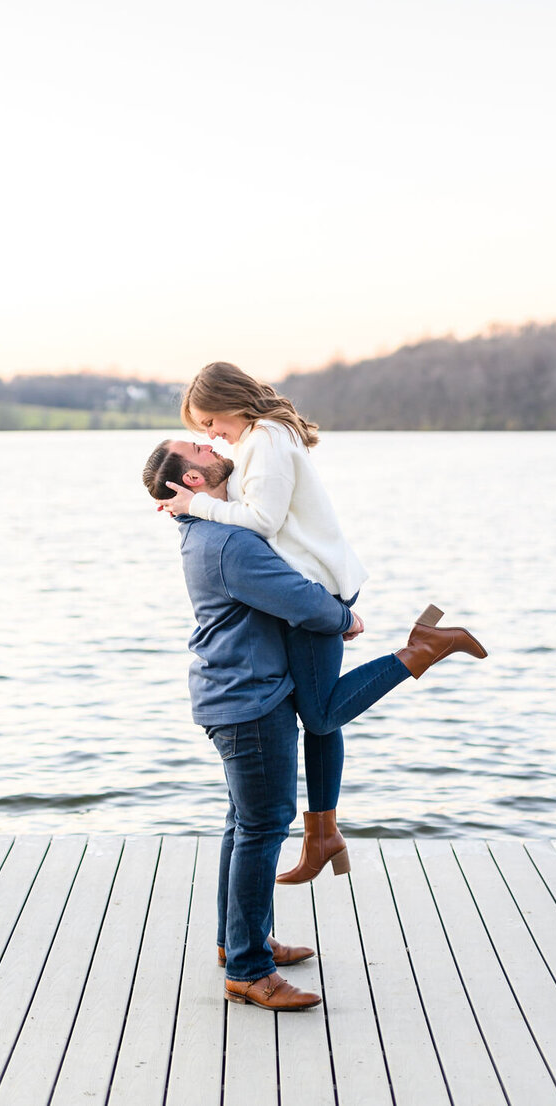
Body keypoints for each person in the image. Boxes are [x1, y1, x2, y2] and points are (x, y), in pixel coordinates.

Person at [142, 436, 486, 1010]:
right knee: (261, 829)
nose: (210, 443)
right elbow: (300, 599)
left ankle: (239, 944)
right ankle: (249, 972)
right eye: (198, 447)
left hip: (237, 696)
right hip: (251, 704)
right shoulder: (228, 542)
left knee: (244, 826)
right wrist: (344, 616)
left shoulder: (212, 531)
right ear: (195, 481)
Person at [156, 363, 403, 882]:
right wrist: (194, 506)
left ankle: (419, 651)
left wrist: (197, 504)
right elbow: (257, 514)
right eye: (202, 431)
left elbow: (263, 522)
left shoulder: (264, 440)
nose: (210, 434)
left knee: (320, 714)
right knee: (318, 714)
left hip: (316, 586)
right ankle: (322, 834)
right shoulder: (260, 440)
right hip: (311, 581)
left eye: (208, 423)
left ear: (228, 403)